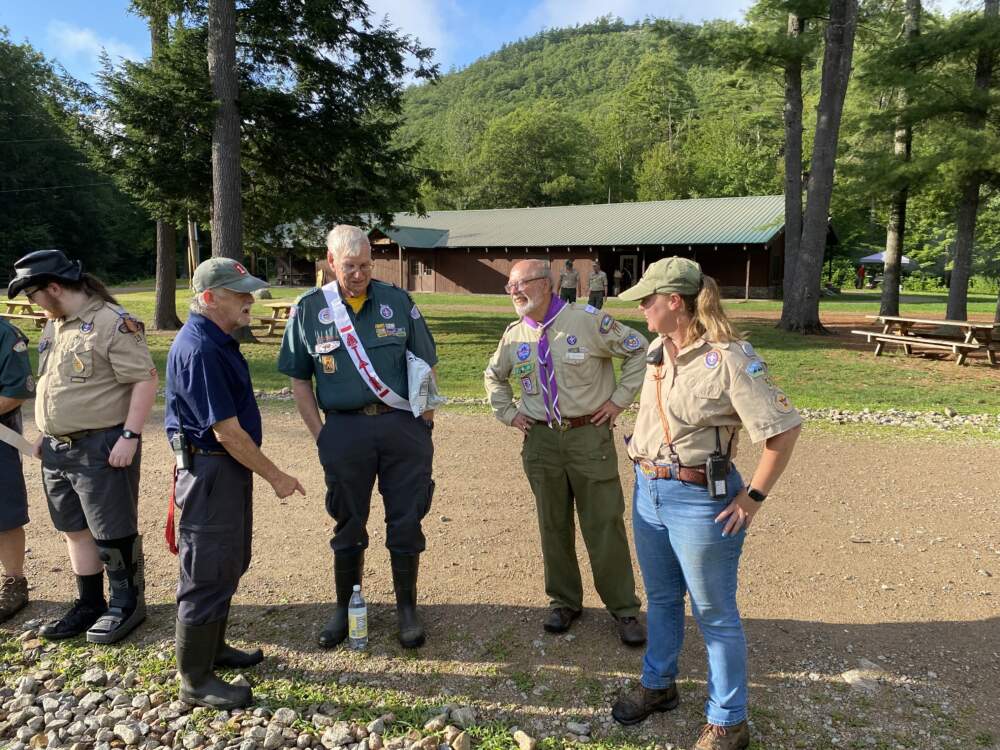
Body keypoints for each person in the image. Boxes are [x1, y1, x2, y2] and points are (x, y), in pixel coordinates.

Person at [610, 257, 801, 750]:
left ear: (675, 302)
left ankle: (728, 720)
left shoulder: (730, 358)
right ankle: (659, 686)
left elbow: (784, 429)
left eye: (647, 300)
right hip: (648, 491)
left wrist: (753, 497)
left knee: (714, 612)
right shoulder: (658, 348)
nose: (641, 308)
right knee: (663, 598)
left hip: (699, 499)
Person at [279, 225, 438, 650]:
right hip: (344, 430)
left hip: (401, 425)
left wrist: (426, 424)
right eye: (349, 266)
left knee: (406, 517)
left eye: (366, 265)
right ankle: (344, 607)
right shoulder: (311, 310)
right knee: (348, 520)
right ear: (331, 263)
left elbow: (426, 365)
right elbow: (299, 382)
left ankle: (407, 608)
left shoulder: (398, 301)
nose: (359, 274)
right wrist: (321, 436)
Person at [484, 259, 648, 645]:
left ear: (546, 284)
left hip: (587, 436)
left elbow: (639, 349)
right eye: (510, 286)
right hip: (541, 440)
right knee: (552, 524)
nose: (513, 292)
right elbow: (494, 375)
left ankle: (624, 609)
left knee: (603, 523)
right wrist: (508, 413)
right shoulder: (514, 335)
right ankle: (563, 602)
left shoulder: (587, 321)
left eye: (520, 284)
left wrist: (620, 401)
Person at [165, 257, 305, 709]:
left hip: (221, 470)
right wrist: (276, 476)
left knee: (227, 562)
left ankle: (213, 651)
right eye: (239, 293)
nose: (250, 300)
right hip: (210, 471)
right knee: (206, 572)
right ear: (209, 299)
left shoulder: (218, 340)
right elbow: (226, 432)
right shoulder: (200, 349)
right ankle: (195, 680)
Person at [8, 249, 157, 644]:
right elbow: (56, 385)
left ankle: (127, 603)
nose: (31, 303)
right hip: (57, 448)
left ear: (54, 288)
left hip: (102, 444)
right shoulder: (55, 325)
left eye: (32, 294)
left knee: (112, 530)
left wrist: (130, 435)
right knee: (74, 529)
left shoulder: (112, 322)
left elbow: (143, 380)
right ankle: (89, 602)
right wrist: (44, 432)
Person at [0, 318, 35, 623]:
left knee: (5, 514)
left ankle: (14, 583)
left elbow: (16, 391)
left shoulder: (5, 334)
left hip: (0, 438)